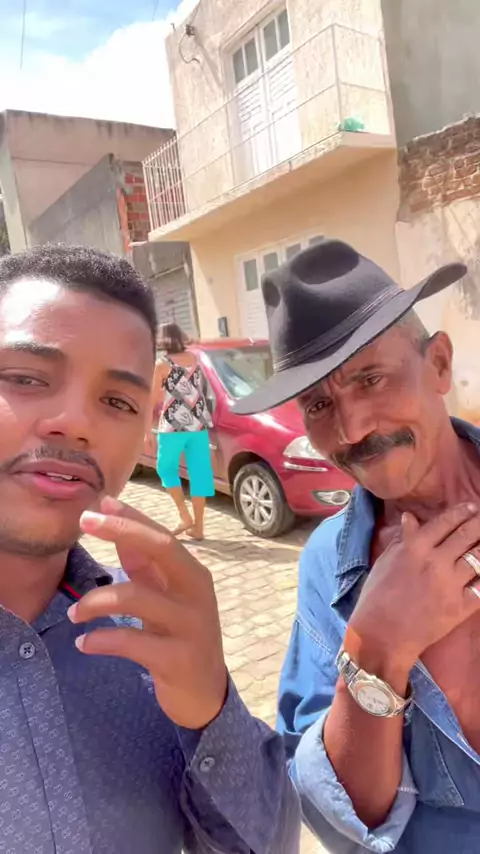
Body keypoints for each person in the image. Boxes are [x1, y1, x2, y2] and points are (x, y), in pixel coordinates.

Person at [0, 243, 300, 854]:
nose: (75, 423)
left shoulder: (150, 631)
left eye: (118, 401)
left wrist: (209, 708)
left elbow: (268, 844)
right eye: (26, 378)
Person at [233, 237, 480, 853]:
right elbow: (340, 816)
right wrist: (377, 650)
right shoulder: (329, 564)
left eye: (371, 378)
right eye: (319, 404)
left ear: (439, 364)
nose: (351, 429)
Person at [152, 322, 214, 540]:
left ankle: (185, 517)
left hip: (173, 425)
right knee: (200, 473)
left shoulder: (162, 364)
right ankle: (199, 528)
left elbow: (154, 398)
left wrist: (146, 430)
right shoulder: (194, 358)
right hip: (198, 423)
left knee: (165, 468)